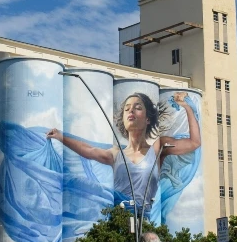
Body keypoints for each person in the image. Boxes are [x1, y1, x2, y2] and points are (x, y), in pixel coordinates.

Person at [47, 91, 200, 213]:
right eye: (127, 109)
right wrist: (61, 137)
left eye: (137, 107)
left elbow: (194, 143)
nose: (131, 110)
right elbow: (88, 150)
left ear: (148, 119)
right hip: (118, 221)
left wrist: (187, 107)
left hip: (144, 221)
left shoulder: (157, 148)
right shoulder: (116, 153)